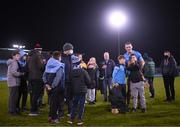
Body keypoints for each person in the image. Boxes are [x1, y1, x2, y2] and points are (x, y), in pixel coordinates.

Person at [67, 56, 91, 126]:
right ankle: (79, 120)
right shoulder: (83, 71)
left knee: (74, 105)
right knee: (81, 105)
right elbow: (88, 81)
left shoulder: (71, 72)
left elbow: (70, 82)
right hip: (82, 91)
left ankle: (71, 119)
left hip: (74, 91)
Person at [43, 51, 65, 123]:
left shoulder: (48, 63)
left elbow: (44, 76)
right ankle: (54, 118)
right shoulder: (60, 65)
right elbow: (58, 78)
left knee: (52, 102)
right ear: (59, 57)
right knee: (55, 103)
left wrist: (46, 84)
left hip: (48, 86)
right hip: (55, 87)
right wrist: (52, 86)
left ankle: (50, 116)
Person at [123, 42, 145, 109]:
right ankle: (127, 104)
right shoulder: (124, 55)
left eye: (129, 46)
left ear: (132, 46)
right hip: (130, 75)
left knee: (139, 91)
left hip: (137, 75)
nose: (128, 48)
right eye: (127, 47)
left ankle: (139, 104)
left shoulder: (137, 53)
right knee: (129, 91)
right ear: (125, 48)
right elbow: (125, 65)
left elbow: (143, 62)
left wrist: (140, 70)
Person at [28, 48, 44, 116]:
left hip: (31, 78)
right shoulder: (37, 56)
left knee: (33, 94)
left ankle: (34, 109)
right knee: (36, 95)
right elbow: (41, 67)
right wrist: (43, 63)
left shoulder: (30, 57)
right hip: (37, 78)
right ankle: (33, 111)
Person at [7, 50, 24, 115]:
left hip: (13, 82)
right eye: (17, 56)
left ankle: (12, 109)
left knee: (13, 97)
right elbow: (14, 72)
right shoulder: (14, 62)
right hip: (14, 82)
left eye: (19, 56)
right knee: (14, 97)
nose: (19, 57)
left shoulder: (13, 62)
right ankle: (12, 111)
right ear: (13, 56)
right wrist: (21, 74)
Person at [61, 43, 75, 116]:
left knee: (70, 97)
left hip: (70, 80)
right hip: (64, 81)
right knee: (62, 97)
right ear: (66, 50)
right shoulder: (61, 58)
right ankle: (61, 112)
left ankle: (70, 111)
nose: (72, 51)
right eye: (71, 49)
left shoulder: (70, 57)